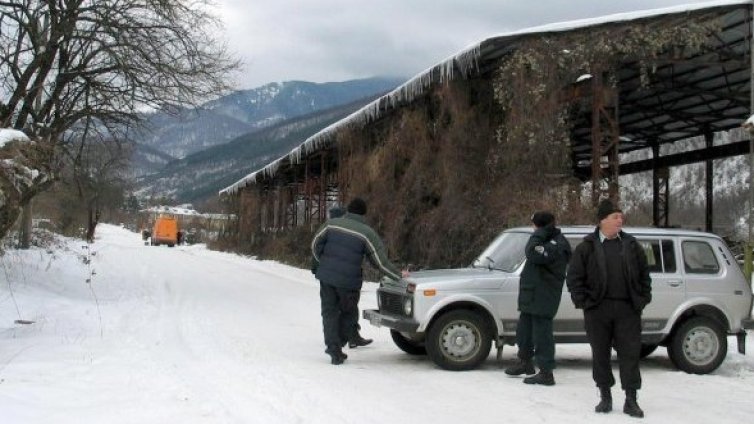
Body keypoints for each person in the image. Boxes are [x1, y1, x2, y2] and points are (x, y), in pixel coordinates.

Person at [566, 199, 652, 418]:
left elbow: (644, 275)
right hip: (598, 310)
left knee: (630, 354)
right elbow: (574, 277)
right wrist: (584, 302)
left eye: (621, 217)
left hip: (627, 310)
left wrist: (642, 299)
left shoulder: (631, 245)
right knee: (600, 354)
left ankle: (631, 399)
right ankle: (605, 396)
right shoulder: (587, 246)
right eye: (615, 217)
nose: (619, 220)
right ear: (602, 220)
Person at [312, 198, 406, 365]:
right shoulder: (366, 233)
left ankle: (333, 349)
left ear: (348, 210)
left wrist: (324, 263)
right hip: (348, 282)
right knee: (348, 313)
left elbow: (315, 245)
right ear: (364, 213)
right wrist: (399, 275)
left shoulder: (331, 224)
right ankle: (341, 343)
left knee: (329, 312)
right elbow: (380, 262)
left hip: (326, 278)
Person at [504, 211, 571, 386]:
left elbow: (532, 252)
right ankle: (525, 362)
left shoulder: (557, 243)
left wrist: (540, 233)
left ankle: (546, 372)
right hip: (531, 294)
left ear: (540, 225)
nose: (532, 228)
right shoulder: (544, 239)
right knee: (524, 331)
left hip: (544, 295)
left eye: (534, 225)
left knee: (542, 335)